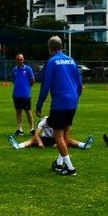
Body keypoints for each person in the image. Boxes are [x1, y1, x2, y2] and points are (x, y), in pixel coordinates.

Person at [36, 35, 84, 176]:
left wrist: (39, 103)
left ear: (50, 48)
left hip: (60, 102)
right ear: (61, 47)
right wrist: (76, 98)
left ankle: (70, 168)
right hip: (73, 101)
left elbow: (46, 85)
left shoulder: (52, 62)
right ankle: (59, 163)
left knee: (58, 134)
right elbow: (79, 83)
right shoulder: (71, 60)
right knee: (66, 133)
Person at [9, 115, 93, 153]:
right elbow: (36, 134)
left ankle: (84, 145)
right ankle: (18, 146)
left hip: (57, 138)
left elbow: (65, 134)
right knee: (32, 140)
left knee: (69, 140)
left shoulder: (59, 121)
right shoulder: (43, 122)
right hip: (46, 139)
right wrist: (40, 143)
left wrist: (58, 143)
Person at [11, 53, 36, 135]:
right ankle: (20, 129)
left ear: (23, 60)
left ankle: (32, 129)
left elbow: (32, 81)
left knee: (28, 111)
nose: (20, 61)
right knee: (18, 112)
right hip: (16, 94)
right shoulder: (14, 70)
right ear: (16, 60)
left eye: (21, 59)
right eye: (18, 59)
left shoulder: (28, 69)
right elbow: (14, 80)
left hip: (25, 94)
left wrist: (26, 87)